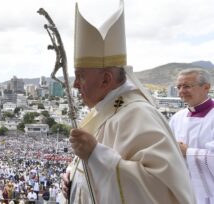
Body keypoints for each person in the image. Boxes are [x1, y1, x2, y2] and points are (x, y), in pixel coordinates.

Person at [61, 0, 195, 203]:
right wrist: (72, 177)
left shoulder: (138, 115)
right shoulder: (104, 111)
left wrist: (96, 155)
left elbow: (161, 192)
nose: (75, 85)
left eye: (80, 76)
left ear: (106, 79)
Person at [169, 68, 214, 204]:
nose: (181, 91)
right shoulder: (177, 117)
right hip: (183, 190)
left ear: (206, 87)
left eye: (187, 86)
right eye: (179, 87)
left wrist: (188, 152)